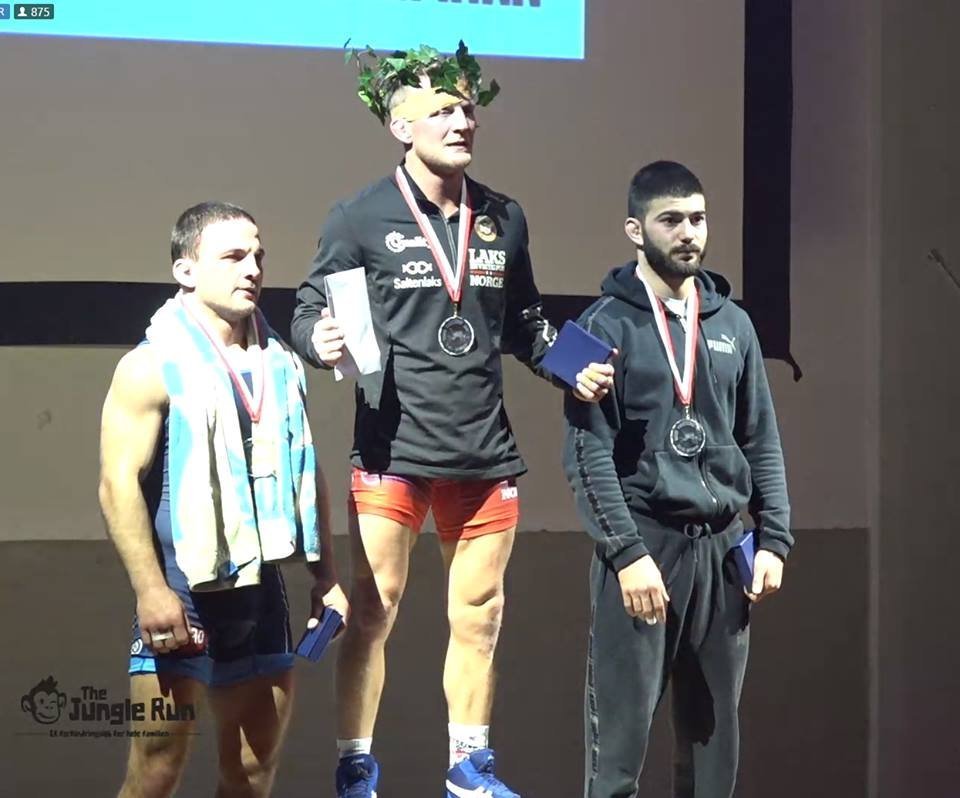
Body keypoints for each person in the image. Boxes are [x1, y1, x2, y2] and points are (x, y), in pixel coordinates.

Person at [290, 43, 614, 798]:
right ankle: (356, 764)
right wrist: (317, 338)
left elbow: (526, 320)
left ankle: (469, 767)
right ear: (401, 126)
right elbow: (307, 307)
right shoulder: (359, 216)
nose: (462, 121)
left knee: (481, 614)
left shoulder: (504, 216)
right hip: (393, 449)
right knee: (373, 612)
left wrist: (573, 364)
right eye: (442, 110)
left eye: (468, 108)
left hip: (483, 450)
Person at [98, 201, 348, 798]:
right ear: (185, 270)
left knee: (253, 775)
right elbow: (116, 484)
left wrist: (326, 575)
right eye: (233, 256)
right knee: (155, 771)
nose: (253, 268)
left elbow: (306, 471)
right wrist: (150, 591)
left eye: (258, 255)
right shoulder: (149, 365)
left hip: (261, 594)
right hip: (179, 595)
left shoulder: (280, 364)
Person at [562, 161, 793, 798]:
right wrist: (626, 554)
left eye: (697, 218)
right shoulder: (596, 327)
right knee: (618, 752)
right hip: (645, 550)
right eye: (671, 220)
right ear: (635, 230)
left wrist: (774, 538)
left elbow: (761, 438)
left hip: (722, 554)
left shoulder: (735, 324)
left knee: (713, 750)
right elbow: (585, 456)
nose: (689, 232)